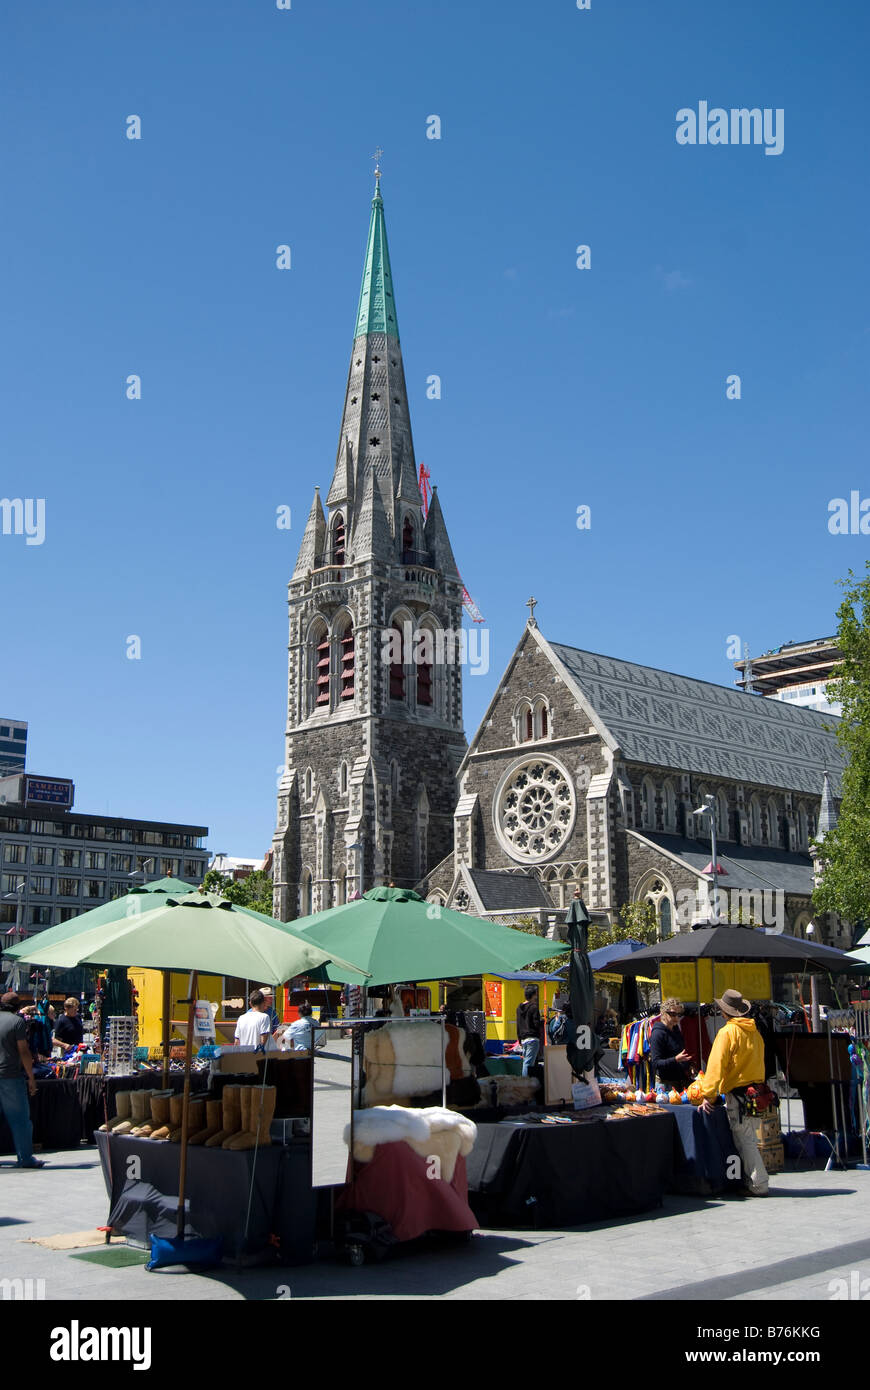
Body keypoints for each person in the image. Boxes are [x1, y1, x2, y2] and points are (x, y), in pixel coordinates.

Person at [698, 989, 769, 1198]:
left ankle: (759, 1183)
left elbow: (715, 1066)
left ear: (725, 1013)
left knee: (745, 1140)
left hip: (738, 1094)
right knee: (747, 1138)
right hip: (756, 1092)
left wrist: (708, 1094)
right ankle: (749, 1181)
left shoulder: (727, 1033)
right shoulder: (754, 1032)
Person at [0, 992, 45, 1168]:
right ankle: (25, 1158)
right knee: (20, 1120)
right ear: (17, 1007)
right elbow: (24, 1051)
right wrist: (31, 1077)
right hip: (10, 1076)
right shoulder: (17, 1022)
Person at [650, 998, 695, 1090]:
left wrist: (689, 1065)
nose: (676, 1018)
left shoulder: (676, 1030)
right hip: (666, 1084)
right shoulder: (658, 1033)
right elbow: (656, 1063)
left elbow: (680, 1053)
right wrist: (676, 1059)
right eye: (673, 1014)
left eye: (679, 1015)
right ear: (663, 1013)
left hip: (680, 1082)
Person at [516, 985, 543, 1076]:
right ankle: (525, 1082)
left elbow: (518, 1024)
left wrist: (519, 1039)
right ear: (533, 995)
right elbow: (536, 1024)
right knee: (528, 1063)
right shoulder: (534, 1007)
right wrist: (541, 1022)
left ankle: (525, 1079)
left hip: (523, 1038)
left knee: (526, 1061)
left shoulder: (519, 1009)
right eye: (536, 994)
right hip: (533, 1038)